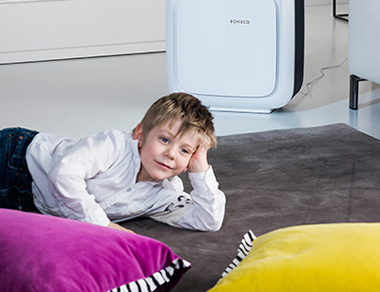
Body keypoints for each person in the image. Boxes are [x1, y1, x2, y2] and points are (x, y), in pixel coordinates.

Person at [0, 92, 226, 231]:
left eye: (185, 150)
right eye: (164, 140)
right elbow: (63, 175)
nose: (171, 154)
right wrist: (104, 226)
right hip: (17, 159)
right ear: (140, 134)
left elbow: (208, 221)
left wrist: (201, 170)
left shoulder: (164, 195)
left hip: (29, 206)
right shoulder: (114, 144)